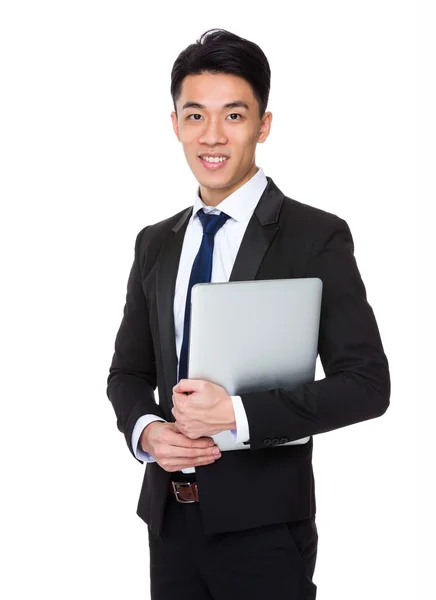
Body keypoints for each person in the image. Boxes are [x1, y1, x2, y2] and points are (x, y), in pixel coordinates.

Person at [106, 28, 390, 600]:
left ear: (262, 125)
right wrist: (147, 431)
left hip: (264, 532)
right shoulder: (155, 243)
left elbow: (367, 385)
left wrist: (236, 415)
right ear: (175, 124)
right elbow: (128, 374)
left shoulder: (315, 236)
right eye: (195, 116)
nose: (212, 136)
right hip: (169, 522)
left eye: (234, 116)